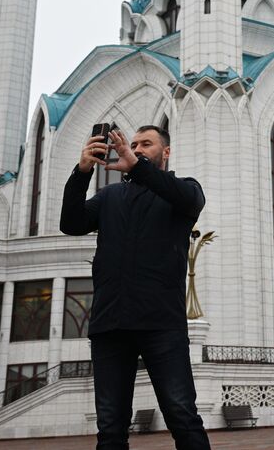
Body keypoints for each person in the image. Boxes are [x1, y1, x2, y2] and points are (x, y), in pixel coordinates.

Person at [61, 124, 209, 450]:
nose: (138, 148)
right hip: (110, 325)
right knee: (111, 429)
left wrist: (137, 166)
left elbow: (188, 199)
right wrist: (82, 171)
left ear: (166, 152)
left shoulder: (183, 190)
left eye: (147, 144)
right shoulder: (110, 196)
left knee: (182, 416)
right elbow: (71, 223)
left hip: (161, 325)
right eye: (135, 144)